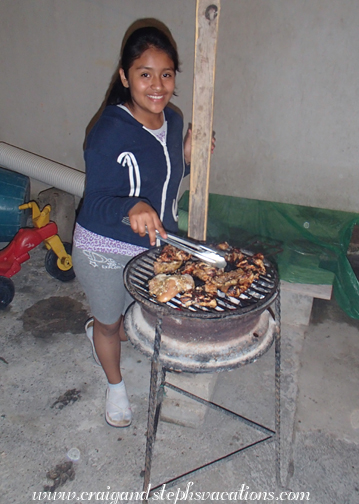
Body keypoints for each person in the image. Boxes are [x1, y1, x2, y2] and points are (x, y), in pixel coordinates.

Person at [71, 25, 192, 428]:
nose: (157, 85)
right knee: (111, 324)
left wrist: (188, 159)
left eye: (167, 74)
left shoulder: (172, 122)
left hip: (153, 248)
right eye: (145, 73)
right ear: (125, 77)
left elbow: (163, 181)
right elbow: (98, 202)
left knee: (137, 323)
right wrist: (132, 207)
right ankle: (115, 386)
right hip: (104, 247)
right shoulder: (108, 131)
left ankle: (103, 331)